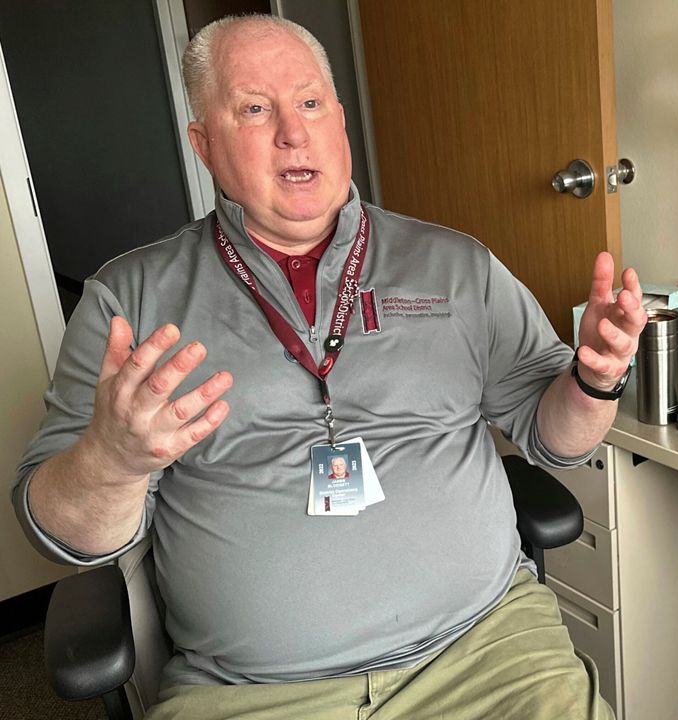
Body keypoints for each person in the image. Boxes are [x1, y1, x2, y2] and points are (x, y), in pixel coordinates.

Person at [13, 14, 643, 720]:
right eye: (255, 109)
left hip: (486, 652)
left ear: (340, 120)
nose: (293, 131)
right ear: (204, 144)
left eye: (311, 103)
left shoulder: (457, 265)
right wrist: (113, 460)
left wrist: (593, 380)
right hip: (254, 694)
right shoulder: (129, 300)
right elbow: (62, 534)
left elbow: (557, 439)